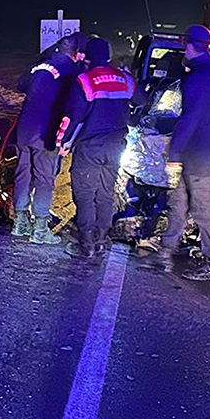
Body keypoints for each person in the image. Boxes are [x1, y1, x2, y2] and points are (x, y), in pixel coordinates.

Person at [158, 25, 210, 282]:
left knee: (202, 208)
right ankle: (166, 251)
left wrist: (174, 152)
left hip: (200, 154)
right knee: (177, 201)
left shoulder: (199, 77)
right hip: (204, 150)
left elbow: (191, 117)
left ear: (189, 46)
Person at [58, 37, 135, 259]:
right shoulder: (126, 79)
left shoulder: (84, 81)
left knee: (85, 194)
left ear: (87, 58)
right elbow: (142, 102)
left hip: (90, 147)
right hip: (116, 147)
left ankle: (87, 244)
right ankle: (102, 240)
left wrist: (63, 143)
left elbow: (74, 116)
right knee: (105, 193)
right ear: (109, 56)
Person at [11, 34, 82, 245]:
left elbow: (21, 85)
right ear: (76, 54)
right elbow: (75, 104)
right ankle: (40, 229)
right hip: (46, 132)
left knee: (23, 174)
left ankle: (20, 222)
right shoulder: (72, 71)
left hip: (23, 129)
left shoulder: (39, 67)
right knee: (45, 178)